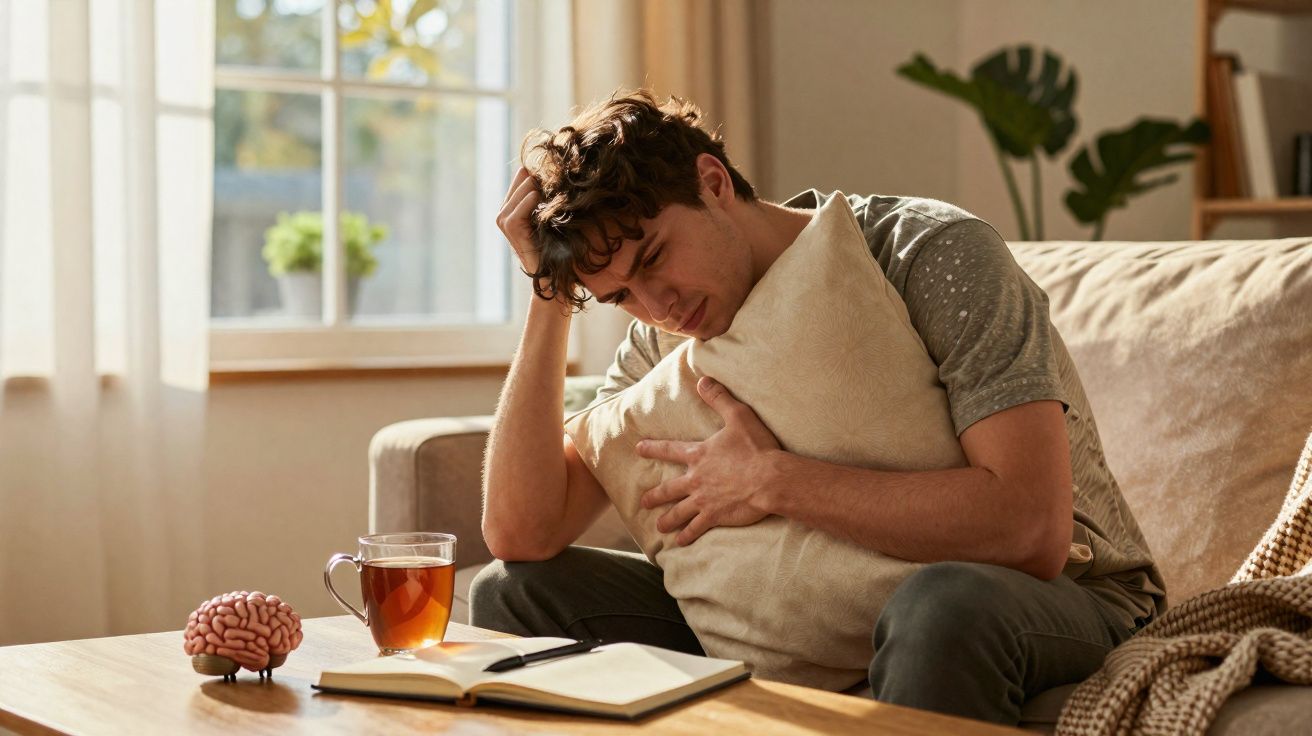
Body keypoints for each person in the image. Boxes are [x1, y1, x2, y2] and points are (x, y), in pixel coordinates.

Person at [470, 89, 1165, 725]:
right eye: (619, 295)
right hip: (819, 619)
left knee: (940, 609)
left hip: (1069, 598)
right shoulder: (660, 341)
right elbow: (520, 532)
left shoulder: (925, 252)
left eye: (654, 258)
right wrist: (547, 295)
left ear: (713, 183)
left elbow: (1029, 529)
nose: (657, 306)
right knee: (516, 592)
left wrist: (772, 482)